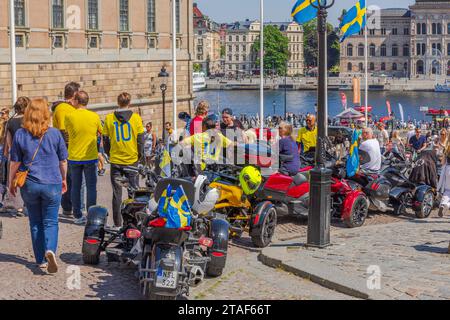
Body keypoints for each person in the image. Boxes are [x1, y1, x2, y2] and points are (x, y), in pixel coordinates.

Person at [9, 98, 68, 273]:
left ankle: (41, 260)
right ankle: (50, 249)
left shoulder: (20, 134)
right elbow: (63, 160)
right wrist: (64, 179)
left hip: (30, 185)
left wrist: (12, 182)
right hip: (52, 183)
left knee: (35, 221)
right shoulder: (55, 134)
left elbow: (14, 163)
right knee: (51, 221)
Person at [103, 92, 145, 228]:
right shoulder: (136, 118)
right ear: (129, 102)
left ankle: (117, 224)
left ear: (117, 102)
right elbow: (140, 140)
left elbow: (105, 140)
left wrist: (109, 154)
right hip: (132, 161)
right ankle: (133, 223)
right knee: (133, 192)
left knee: (117, 194)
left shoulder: (109, 118)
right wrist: (140, 155)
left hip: (116, 161)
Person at [65, 91, 102, 225]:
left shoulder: (69, 116)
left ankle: (77, 215)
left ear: (76, 101)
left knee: (76, 186)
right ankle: (91, 215)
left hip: (74, 156)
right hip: (90, 156)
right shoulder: (94, 116)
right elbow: (101, 132)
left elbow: (69, 132)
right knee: (91, 187)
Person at [52, 82, 80, 217]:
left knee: (71, 179)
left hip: (72, 149)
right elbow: (63, 132)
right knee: (68, 179)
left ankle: (72, 207)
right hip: (67, 149)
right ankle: (68, 207)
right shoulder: (63, 108)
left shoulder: (69, 108)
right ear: (74, 95)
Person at [3, 97, 30, 216]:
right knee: (28, 178)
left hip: (15, 154)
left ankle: (18, 207)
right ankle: (28, 205)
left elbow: (8, 141)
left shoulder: (10, 122)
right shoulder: (30, 120)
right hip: (29, 152)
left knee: (15, 179)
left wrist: (8, 153)